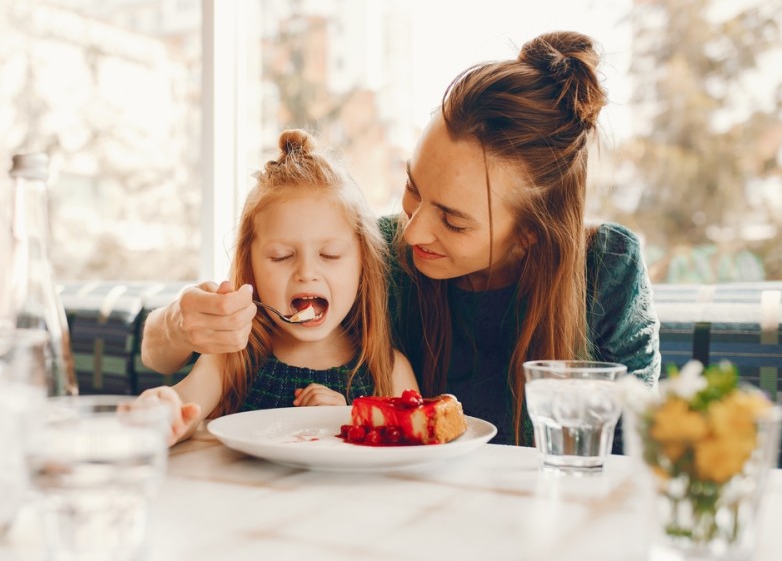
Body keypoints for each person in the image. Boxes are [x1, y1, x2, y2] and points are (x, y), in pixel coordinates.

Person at [141, 31, 660, 446]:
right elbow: (166, 359)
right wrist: (180, 324)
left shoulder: (608, 270)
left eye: (453, 221)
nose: (412, 232)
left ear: (529, 235)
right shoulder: (372, 252)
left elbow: (635, 455)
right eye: (413, 189)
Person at [138, 129, 418, 445]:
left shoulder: (388, 368)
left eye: (330, 255)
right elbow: (185, 409)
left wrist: (348, 421)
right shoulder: (231, 356)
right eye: (281, 256)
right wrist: (162, 411)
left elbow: (413, 445)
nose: (307, 272)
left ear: (363, 264)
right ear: (251, 267)